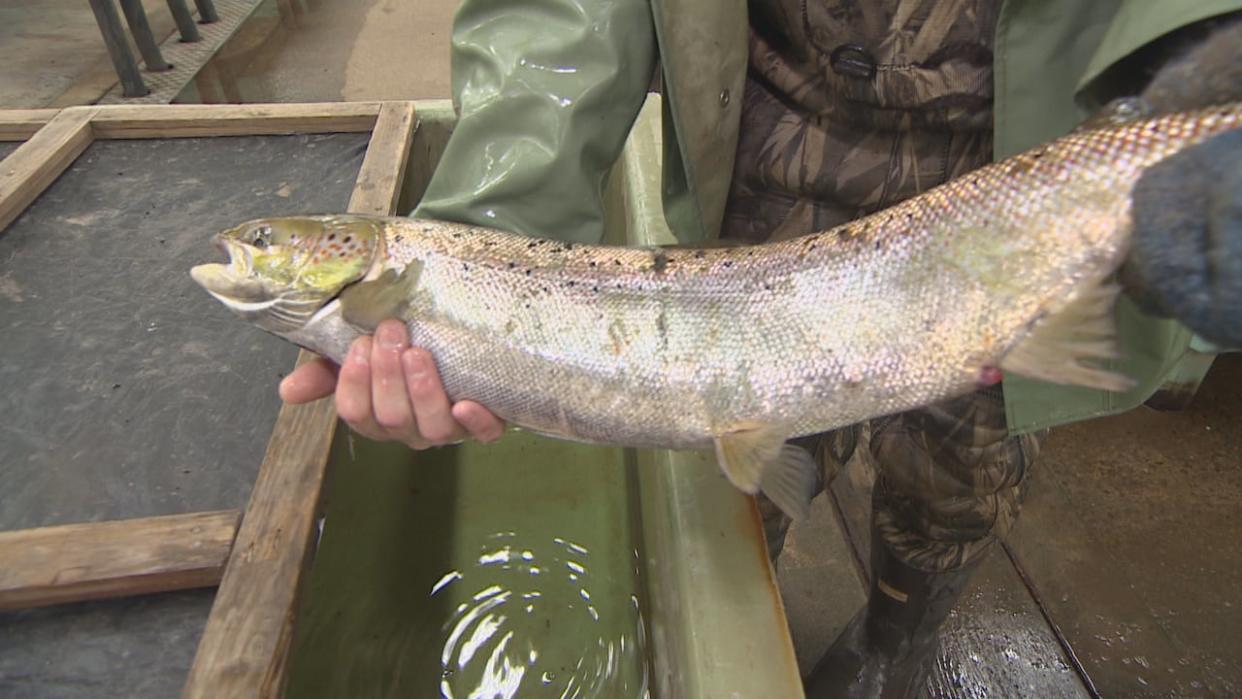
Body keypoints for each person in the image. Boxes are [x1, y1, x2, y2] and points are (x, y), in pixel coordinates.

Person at [281, 2, 1242, 696]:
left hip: (1017, 170)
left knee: (957, 480)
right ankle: (760, 606)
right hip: (767, 167)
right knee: (734, 478)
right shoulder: (387, 280)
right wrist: (478, 232)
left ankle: (894, 641)